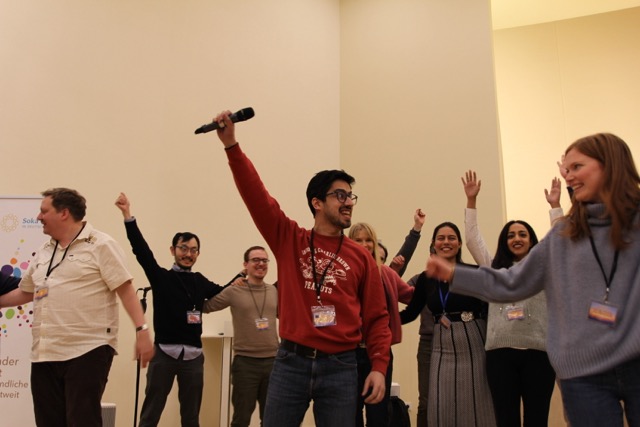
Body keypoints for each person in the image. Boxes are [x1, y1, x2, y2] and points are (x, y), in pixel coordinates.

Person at [427, 133, 640, 426]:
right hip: (583, 374)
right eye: (567, 169)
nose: (568, 176)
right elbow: (510, 283)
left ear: (609, 164)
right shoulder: (564, 236)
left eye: (577, 167)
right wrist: (454, 273)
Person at [211, 109, 391, 427]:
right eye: (340, 195)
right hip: (290, 363)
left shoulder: (361, 257)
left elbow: (377, 317)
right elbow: (257, 197)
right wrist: (231, 146)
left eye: (351, 196)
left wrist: (379, 366)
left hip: (341, 367)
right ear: (316, 202)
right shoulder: (290, 239)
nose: (349, 202)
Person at [0, 188, 154, 427]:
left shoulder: (101, 245)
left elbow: (125, 289)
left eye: (44, 211)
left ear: (64, 213)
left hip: (87, 349)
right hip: (44, 353)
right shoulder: (44, 251)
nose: (39, 217)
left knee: (82, 421)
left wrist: (142, 330)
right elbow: (26, 291)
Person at [114, 192, 226, 427]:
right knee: (151, 413)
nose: (188, 254)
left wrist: (242, 278)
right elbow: (141, 251)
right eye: (183, 248)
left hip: (194, 357)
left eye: (193, 250)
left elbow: (224, 292)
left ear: (198, 254)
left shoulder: (200, 281)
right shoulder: (161, 278)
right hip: (163, 354)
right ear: (173, 250)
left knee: (191, 417)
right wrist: (127, 215)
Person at [462, 170, 556, 426]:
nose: (516, 239)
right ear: (504, 241)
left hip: (538, 353)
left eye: (522, 234)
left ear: (531, 240)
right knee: (506, 420)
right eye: (511, 235)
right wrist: (471, 200)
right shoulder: (493, 269)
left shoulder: (544, 268)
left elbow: (561, 240)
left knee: (537, 419)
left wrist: (555, 207)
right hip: (500, 355)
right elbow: (471, 238)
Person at [400, 222, 495, 426]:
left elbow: (489, 307)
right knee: (440, 404)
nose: (446, 242)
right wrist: (381, 321)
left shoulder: (474, 272)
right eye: (441, 238)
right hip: (440, 348)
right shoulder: (426, 278)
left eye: (451, 238)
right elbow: (411, 312)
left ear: (459, 243)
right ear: (433, 243)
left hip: (473, 345)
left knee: (476, 403)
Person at [203, 246, 278, 427]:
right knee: (241, 419)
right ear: (245, 264)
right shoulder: (234, 291)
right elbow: (206, 307)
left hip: (274, 363)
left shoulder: (274, 291)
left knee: (272, 419)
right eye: (256, 260)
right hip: (245, 364)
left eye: (264, 260)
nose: (261, 264)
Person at [348, 222, 414, 427]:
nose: (364, 244)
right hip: (347, 356)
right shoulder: (342, 275)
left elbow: (413, 297)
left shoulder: (386, 273)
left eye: (368, 240)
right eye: (358, 240)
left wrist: (436, 281)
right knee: (350, 415)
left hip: (379, 354)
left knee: (378, 416)